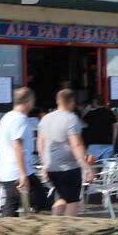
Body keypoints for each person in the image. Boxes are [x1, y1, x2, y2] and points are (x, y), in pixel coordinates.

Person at [38, 88, 95, 216]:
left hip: (52, 168)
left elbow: (40, 143)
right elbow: (77, 144)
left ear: (58, 101)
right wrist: (86, 167)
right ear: (72, 102)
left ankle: (54, 227)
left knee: (62, 198)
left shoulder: (45, 119)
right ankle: (67, 232)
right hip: (69, 168)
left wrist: (44, 165)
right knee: (72, 202)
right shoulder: (72, 119)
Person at [0, 87, 41, 217]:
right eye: (33, 100)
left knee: (11, 205)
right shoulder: (19, 119)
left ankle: (5, 234)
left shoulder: (6, 118)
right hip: (18, 173)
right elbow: (17, 146)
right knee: (43, 203)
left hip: (6, 173)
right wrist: (23, 174)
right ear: (28, 101)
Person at [82, 95, 118, 162]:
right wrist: (113, 141)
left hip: (93, 145)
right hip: (108, 144)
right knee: (106, 168)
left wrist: (85, 109)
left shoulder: (91, 113)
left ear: (95, 102)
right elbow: (115, 127)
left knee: (89, 165)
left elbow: (82, 120)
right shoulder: (110, 113)